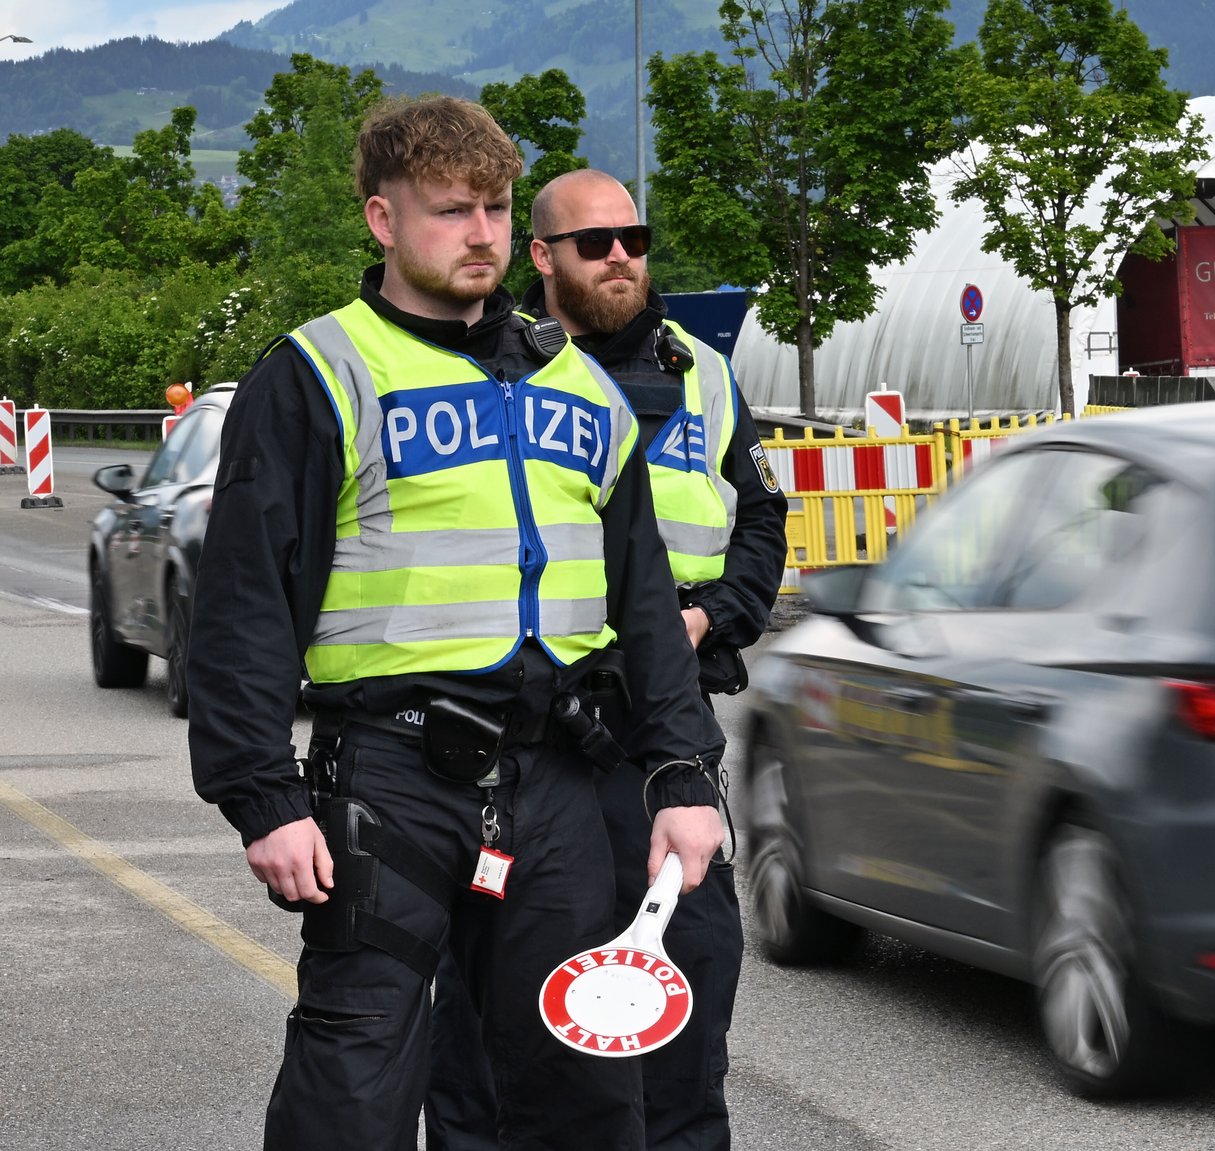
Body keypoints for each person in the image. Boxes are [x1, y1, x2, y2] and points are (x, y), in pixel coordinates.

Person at [186, 96, 728, 1151]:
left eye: (494, 207)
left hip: (562, 779)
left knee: (579, 1090)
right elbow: (243, 604)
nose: (480, 233)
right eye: (449, 211)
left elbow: (646, 606)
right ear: (382, 220)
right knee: (353, 1084)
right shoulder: (318, 374)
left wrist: (683, 775)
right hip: (389, 781)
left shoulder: (577, 383)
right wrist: (262, 794)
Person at [425, 168, 786, 1151]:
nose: (621, 254)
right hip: (534, 746)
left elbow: (757, 517)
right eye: (594, 242)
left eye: (635, 235)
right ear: (540, 257)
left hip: (664, 736)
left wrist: (708, 618)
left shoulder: (702, 372)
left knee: (688, 990)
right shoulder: (496, 372)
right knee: (498, 1016)